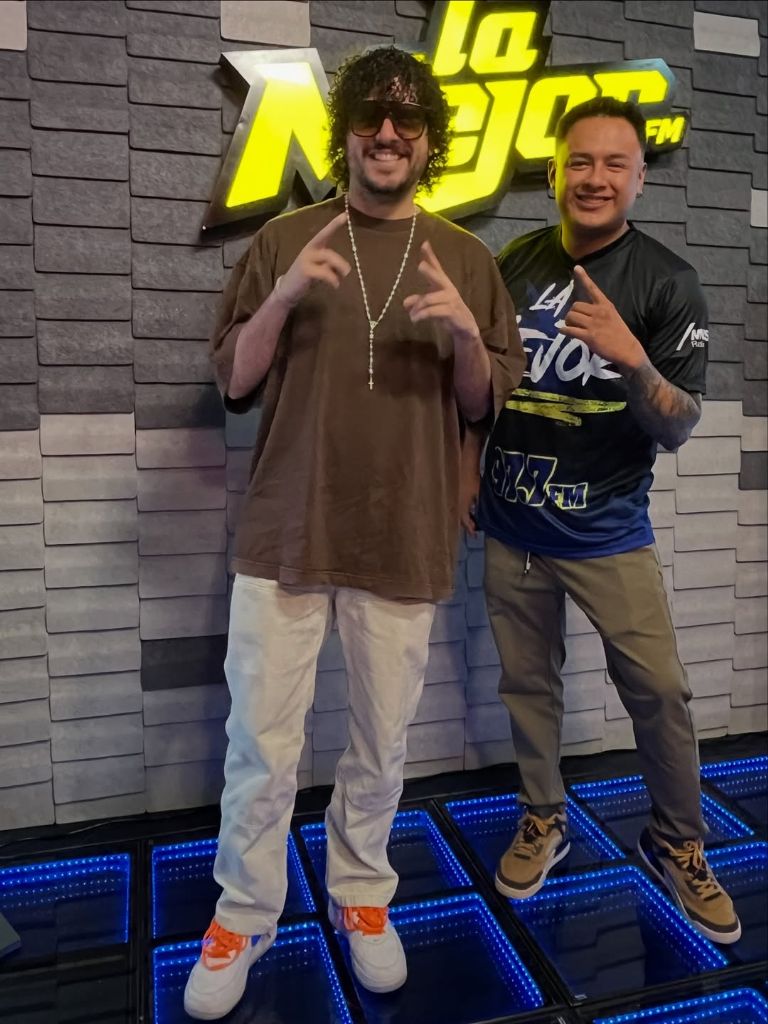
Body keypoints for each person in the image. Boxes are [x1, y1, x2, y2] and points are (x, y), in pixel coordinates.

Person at [183, 46, 524, 1020]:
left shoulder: (466, 259)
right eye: (371, 114)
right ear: (345, 131)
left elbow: (482, 401)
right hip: (285, 529)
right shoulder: (284, 239)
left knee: (382, 740)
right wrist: (286, 295)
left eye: (408, 120)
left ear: (429, 140)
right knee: (261, 742)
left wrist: (464, 334)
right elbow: (235, 377)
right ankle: (244, 915)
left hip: (404, 533)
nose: (387, 132)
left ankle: (360, 894)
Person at [461, 97, 740, 945]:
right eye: (580, 161)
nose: (595, 177)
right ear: (555, 172)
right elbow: (482, 390)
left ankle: (678, 841)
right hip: (512, 526)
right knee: (526, 685)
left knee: (659, 690)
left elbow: (678, 425)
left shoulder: (667, 282)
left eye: (615, 163)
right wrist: (465, 471)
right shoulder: (513, 263)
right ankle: (544, 816)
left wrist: (630, 358)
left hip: (608, 532)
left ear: (639, 179)